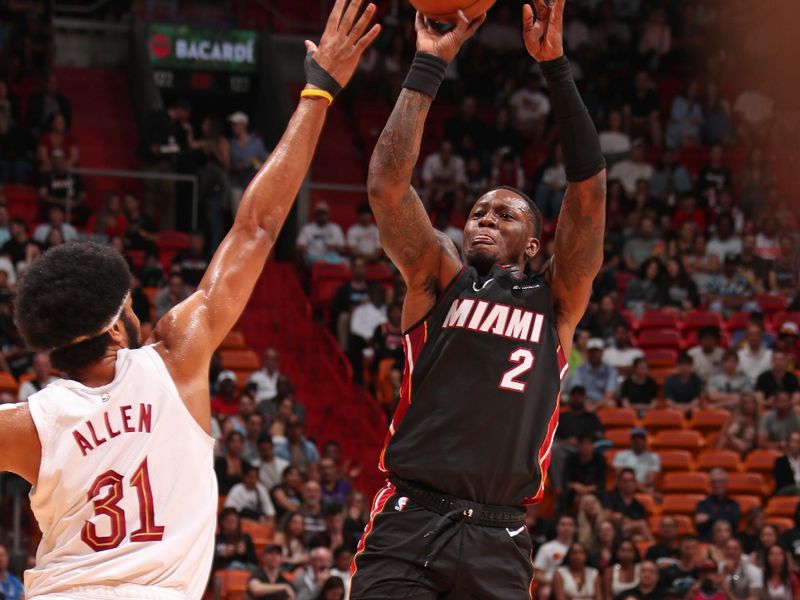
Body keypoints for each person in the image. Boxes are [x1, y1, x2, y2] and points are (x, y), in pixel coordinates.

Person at [0, 18, 380, 584]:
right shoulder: (176, 358)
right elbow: (256, 226)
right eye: (131, 305)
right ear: (112, 328)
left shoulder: (29, 424)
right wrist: (318, 90)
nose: (140, 311)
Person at [352, 4, 607, 597]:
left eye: (506, 213)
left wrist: (556, 69)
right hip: (411, 520)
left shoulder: (558, 301)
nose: (486, 218)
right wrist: (428, 65)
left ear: (535, 239)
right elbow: (387, 187)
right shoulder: (439, 277)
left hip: (500, 535)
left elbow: (590, 194)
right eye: (478, 212)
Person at [227, 111, 268, 217]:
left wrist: (251, 163)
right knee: (236, 215)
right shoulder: (231, 143)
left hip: (252, 184)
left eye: (235, 124)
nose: (233, 127)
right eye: (232, 125)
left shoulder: (256, 143)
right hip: (236, 184)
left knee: (252, 215)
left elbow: (264, 162)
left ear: (243, 125)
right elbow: (227, 163)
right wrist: (236, 167)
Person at [535, 515, 578, 599]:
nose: (566, 528)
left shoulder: (579, 549)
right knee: (545, 592)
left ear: (575, 528)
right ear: (557, 527)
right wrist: (554, 583)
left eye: (570, 525)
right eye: (563, 524)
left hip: (575, 583)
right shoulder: (546, 548)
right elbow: (538, 574)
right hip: (551, 583)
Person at [603, 469, 651, 540]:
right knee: (641, 525)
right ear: (619, 483)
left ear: (635, 483)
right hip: (611, 533)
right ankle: (654, 545)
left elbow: (641, 528)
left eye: (631, 481)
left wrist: (623, 520)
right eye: (625, 481)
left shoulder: (639, 506)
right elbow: (605, 515)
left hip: (629, 537)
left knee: (638, 537)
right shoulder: (610, 497)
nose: (629, 484)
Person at [696, 469, 742, 542]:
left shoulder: (733, 504)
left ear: (726, 484)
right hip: (708, 543)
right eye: (714, 482)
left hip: (729, 546)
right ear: (710, 484)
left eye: (721, 482)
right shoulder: (702, 504)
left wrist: (709, 517)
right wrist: (724, 515)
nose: (717, 485)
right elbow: (700, 526)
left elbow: (734, 522)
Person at [572, 338, 618, 409]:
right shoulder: (579, 370)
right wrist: (586, 403)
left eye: (597, 351)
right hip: (583, 401)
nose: (594, 354)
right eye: (591, 351)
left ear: (602, 352)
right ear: (587, 353)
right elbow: (577, 391)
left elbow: (609, 394)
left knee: (611, 404)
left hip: (602, 401)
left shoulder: (611, 370)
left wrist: (594, 407)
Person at [296, 201, 346, 265]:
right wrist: (305, 249)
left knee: (347, 263)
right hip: (313, 256)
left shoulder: (335, 228)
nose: (321, 216)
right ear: (316, 214)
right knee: (321, 263)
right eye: (319, 213)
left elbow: (343, 248)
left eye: (324, 213)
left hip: (332, 257)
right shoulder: (308, 228)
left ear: (328, 214)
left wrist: (334, 247)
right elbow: (299, 246)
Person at [214, 507, 259, 572]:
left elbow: (255, 562)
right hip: (225, 569)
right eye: (229, 521)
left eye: (234, 521)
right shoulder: (216, 540)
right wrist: (222, 555)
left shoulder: (245, 538)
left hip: (244, 568)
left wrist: (245, 552)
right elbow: (210, 564)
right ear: (222, 522)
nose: (232, 525)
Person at [773, 431, 800, 495]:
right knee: (795, 489)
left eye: (798, 442)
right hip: (785, 490)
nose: (795, 445)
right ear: (788, 443)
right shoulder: (780, 462)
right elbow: (780, 483)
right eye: (793, 442)